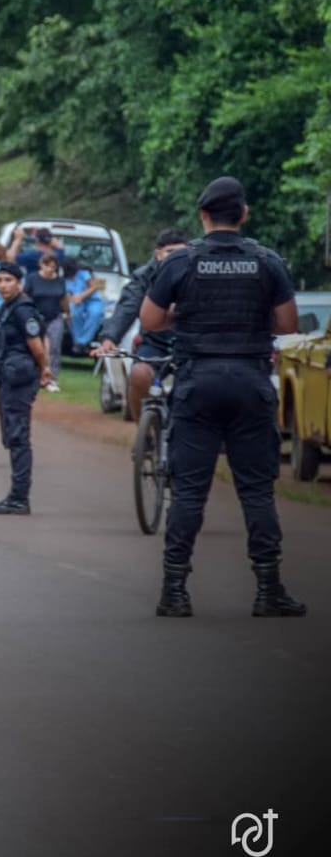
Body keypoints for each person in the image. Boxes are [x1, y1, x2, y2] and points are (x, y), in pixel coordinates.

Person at [141, 177, 305, 619]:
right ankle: (268, 590)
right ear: (244, 214)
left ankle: (175, 592)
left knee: (190, 492)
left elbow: (151, 320)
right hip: (250, 382)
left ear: (203, 216)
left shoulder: (182, 262)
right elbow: (288, 324)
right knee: (256, 492)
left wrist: (184, 313)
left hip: (198, 383)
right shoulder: (267, 261)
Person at [92, 228, 188, 422]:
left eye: (181, 252)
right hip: (153, 342)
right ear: (158, 254)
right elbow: (128, 306)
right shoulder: (144, 276)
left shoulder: (197, 273)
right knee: (138, 374)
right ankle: (144, 431)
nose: (176, 258)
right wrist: (110, 338)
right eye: (170, 252)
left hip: (189, 343)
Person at [0, 262, 52, 515]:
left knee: (18, 436)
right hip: (7, 377)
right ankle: (16, 495)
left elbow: (37, 344)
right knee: (12, 436)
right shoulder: (8, 307)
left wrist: (44, 369)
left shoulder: (23, 309)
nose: (3, 285)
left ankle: (19, 497)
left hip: (20, 379)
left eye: (8, 280)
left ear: (19, 283)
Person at [23, 252, 68, 390]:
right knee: (36, 347)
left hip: (55, 316)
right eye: (47, 266)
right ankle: (34, 375)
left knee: (54, 346)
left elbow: (63, 299)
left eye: (53, 266)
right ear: (41, 265)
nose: (50, 269)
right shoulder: (32, 279)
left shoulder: (59, 281)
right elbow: (26, 296)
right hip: (36, 317)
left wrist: (67, 313)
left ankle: (52, 377)